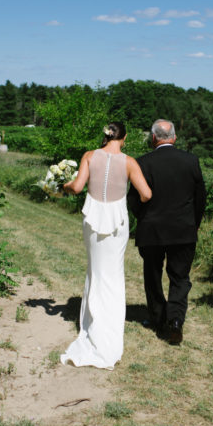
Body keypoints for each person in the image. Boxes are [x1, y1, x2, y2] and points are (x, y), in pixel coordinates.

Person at [60, 122, 152, 369]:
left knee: (95, 271)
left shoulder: (89, 156)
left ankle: (92, 326)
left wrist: (64, 186)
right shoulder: (130, 162)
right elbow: (146, 195)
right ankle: (108, 330)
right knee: (112, 273)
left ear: (105, 136)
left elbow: (77, 187)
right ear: (124, 138)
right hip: (116, 222)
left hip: (92, 218)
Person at [127, 119, 206, 345]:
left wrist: (143, 219)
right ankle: (175, 321)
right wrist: (195, 223)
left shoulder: (142, 162)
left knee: (152, 276)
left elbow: (133, 198)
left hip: (151, 229)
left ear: (153, 138)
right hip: (183, 229)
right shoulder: (191, 161)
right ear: (174, 137)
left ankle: (158, 318)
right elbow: (200, 197)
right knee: (180, 277)